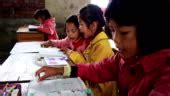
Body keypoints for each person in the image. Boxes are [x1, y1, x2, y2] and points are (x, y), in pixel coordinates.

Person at [36, 0, 170, 95]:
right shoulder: (123, 59)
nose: (115, 39)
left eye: (124, 33)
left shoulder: (165, 75)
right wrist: (61, 70)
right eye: (112, 30)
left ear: (149, 30)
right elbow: (96, 69)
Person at [38, 4, 116, 96]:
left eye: (81, 25)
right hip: (89, 85)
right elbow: (88, 68)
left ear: (93, 26)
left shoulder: (101, 45)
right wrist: (60, 70)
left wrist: (69, 56)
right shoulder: (93, 41)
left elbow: (90, 70)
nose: (80, 28)